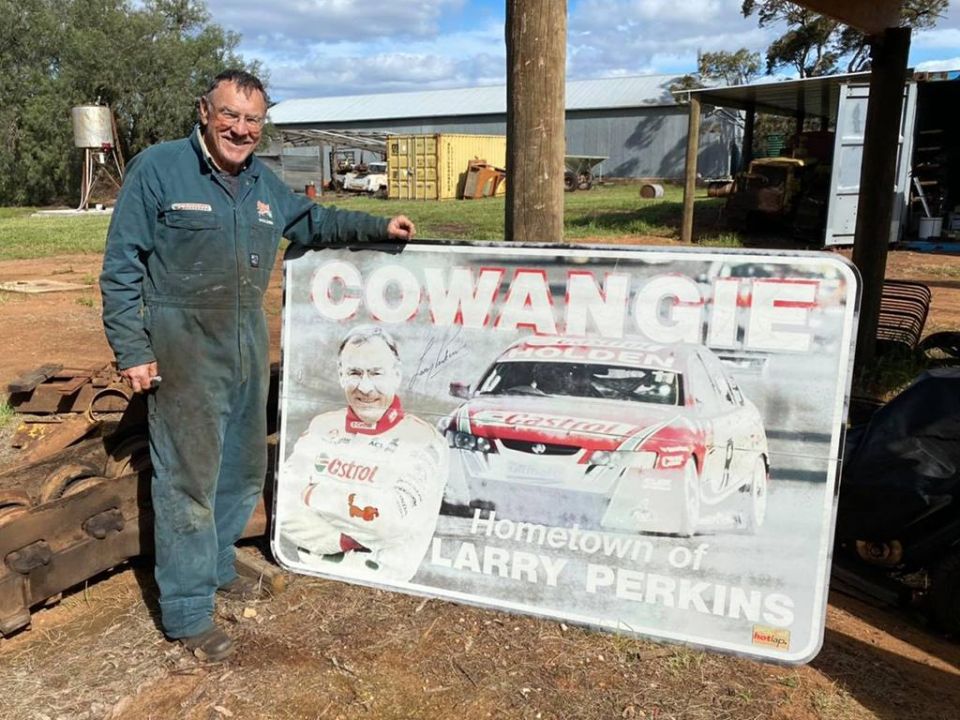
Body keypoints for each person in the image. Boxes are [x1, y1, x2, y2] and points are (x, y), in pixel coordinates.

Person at [99, 69, 415, 662]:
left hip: (245, 344)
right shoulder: (160, 169)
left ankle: (218, 564)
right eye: (230, 115)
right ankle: (188, 612)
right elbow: (121, 264)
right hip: (184, 345)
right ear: (204, 112)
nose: (241, 130)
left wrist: (379, 225)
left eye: (253, 120)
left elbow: (313, 220)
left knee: (242, 469)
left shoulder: (262, 183)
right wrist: (133, 349)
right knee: (187, 482)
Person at [278, 325, 449, 583]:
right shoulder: (322, 426)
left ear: (396, 375)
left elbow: (390, 522)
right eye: (354, 373)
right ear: (341, 375)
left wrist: (314, 493)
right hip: (310, 573)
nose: (365, 387)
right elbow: (283, 505)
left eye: (376, 373)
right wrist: (342, 539)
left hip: (385, 587)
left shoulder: (425, 440)